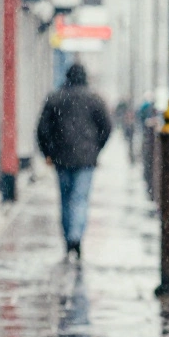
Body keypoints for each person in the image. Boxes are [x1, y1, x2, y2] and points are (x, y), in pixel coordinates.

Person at [37, 64, 112, 260]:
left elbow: (42, 129)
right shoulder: (94, 99)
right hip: (86, 159)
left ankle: (68, 237)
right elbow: (106, 126)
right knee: (80, 198)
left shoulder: (55, 98)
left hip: (61, 157)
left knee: (65, 198)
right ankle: (75, 236)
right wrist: (96, 148)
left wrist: (48, 152)